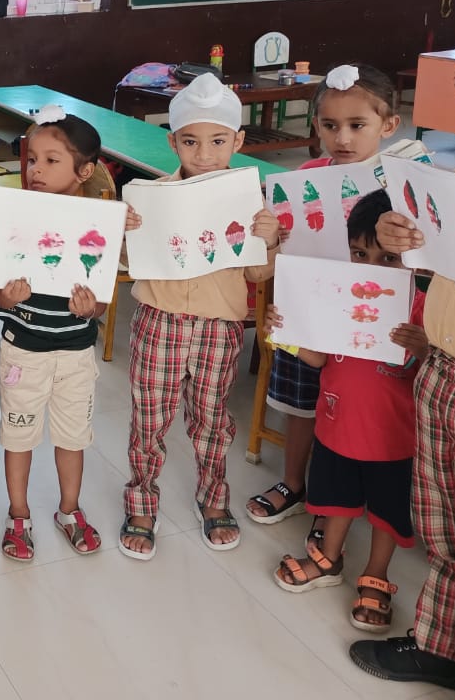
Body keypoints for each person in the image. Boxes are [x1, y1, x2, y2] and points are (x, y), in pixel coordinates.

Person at [351, 20, 455, 698]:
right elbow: (438, 264)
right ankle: (443, 648)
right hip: (444, 376)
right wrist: (402, 237)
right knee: (447, 531)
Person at [120, 74, 281, 560]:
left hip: (219, 324)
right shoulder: (149, 197)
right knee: (149, 418)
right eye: (191, 141)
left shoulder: (251, 203)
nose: (205, 154)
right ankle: (142, 500)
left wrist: (270, 239)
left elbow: (256, 269)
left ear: (238, 141)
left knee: (212, 419)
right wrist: (123, 231)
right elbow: (128, 264)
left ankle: (213, 499)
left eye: (217, 142)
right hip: (158, 319)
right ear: (173, 142)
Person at [246, 64, 401, 548]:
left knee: (355, 415)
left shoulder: (401, 187)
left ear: (389, 125)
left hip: (372, 327)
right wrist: (272, 239)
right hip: (311, 317)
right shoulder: (303, 179)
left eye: (358, 125)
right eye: (330, 126)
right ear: (315, 126)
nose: (343, 138)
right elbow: (272, 261)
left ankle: (333, 504)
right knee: (303, 405)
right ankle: (295, 483)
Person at [268, 189, 426, 636]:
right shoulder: (340, 295)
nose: (372, 269)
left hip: (393, 436)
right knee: (336, 497)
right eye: (360, 253)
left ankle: (376, 575)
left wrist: (423, 348)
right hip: (336, 424)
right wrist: (287, 332)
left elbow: (430, 371)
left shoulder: (419, 308)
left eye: (388, 260)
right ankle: (328, 559)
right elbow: (317, 359)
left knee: (385, 511)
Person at [0, 108, 106, 560]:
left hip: (75, 355)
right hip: (23, 353)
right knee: (18, 437)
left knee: (72, 437)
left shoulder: (99, 225)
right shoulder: (14, 218)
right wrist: (9, 296)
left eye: (51, 161)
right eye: (32, 159)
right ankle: (17, 513)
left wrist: (90, 307)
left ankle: (68, 509)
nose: (35, 170)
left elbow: (99, 301)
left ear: (85, 171)